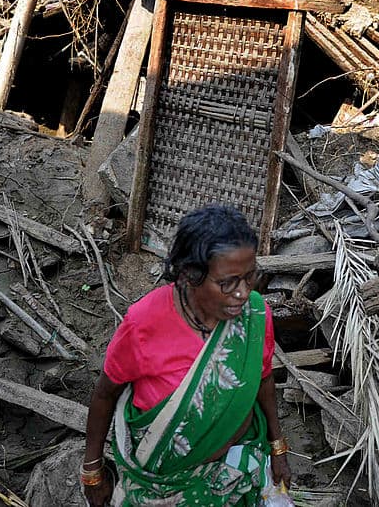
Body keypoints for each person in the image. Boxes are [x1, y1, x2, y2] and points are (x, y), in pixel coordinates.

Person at [82, 204, 292, 506]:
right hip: (162, 481)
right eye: (227, 282)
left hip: (233, 469)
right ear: (189, 275)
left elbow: (262, 379)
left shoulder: (255, 315)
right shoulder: (144, 324)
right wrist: (93, 471)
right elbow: (105, 394)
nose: (243, 293)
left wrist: (277, 447)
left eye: (250, 277)